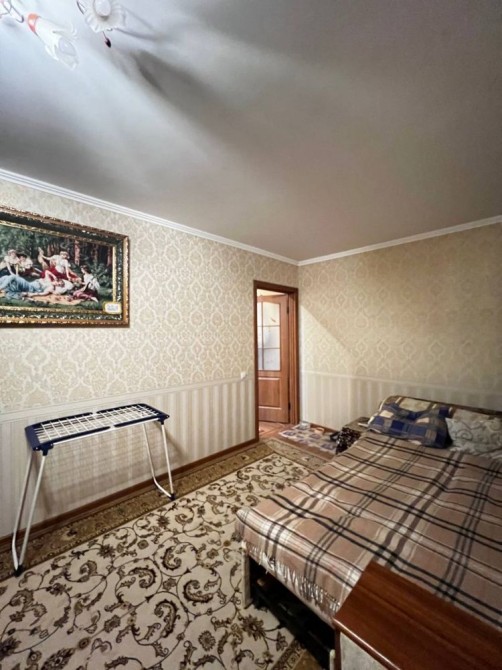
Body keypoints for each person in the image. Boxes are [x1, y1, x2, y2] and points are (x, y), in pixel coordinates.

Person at [0, 272, 72, 300]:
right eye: (58, 282)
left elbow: (43, 293)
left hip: (28, 287)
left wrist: (33, 294)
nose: (57, 284)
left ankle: (1, 288)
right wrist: (53, 275)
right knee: (6, 277)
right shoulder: (48, 280)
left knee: (13, 276)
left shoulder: (51, 287)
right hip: (28, 283)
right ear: (57, 280)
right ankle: (12, 292)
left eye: (59, 285)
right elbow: (47, 272)